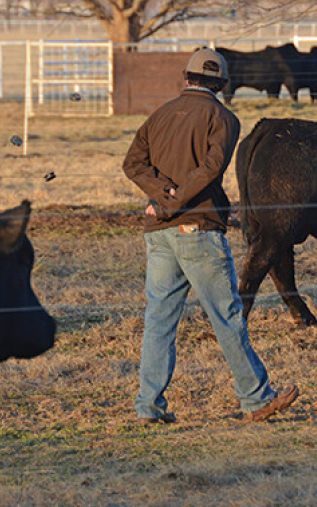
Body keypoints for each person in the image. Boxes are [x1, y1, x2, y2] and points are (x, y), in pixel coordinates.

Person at [123, 48, 299, 424]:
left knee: (159, 321)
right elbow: (209, 170)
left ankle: (149, 407)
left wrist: (161, 195)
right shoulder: (223, 117)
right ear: (220, 84)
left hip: (160, 233)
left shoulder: (159, 115)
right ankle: (256, 398)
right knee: (227, 316)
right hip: (196, 229)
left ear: (185, 77)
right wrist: (174, 202)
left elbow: (132, 164)